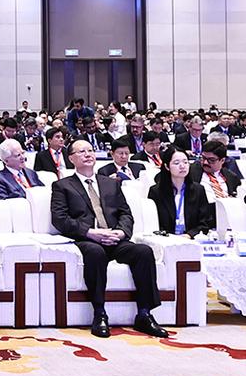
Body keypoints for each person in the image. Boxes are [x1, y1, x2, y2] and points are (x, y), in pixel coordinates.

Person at [50, 140, 166, 339]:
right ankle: (99, 313)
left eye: (90, 150)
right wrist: (90, 233)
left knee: (143, 252)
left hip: (114, 237)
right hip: (87, 239)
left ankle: (145, 314)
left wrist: (121, 232)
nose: (88, 154)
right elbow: (60, 219)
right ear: (71, 158)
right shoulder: (63, 186)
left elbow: (125, 214)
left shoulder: (110, 183)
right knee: (95, 253)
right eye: (81, 151)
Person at [149, 148, 214, 237]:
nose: (182, 166)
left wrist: (190, 235)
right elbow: (153, 222)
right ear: (167, 166)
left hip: (191, 239)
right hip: (165, 239)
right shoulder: (156, 192)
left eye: (185, 162)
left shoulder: (198, 190)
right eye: (176, 163)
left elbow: (205, 222)